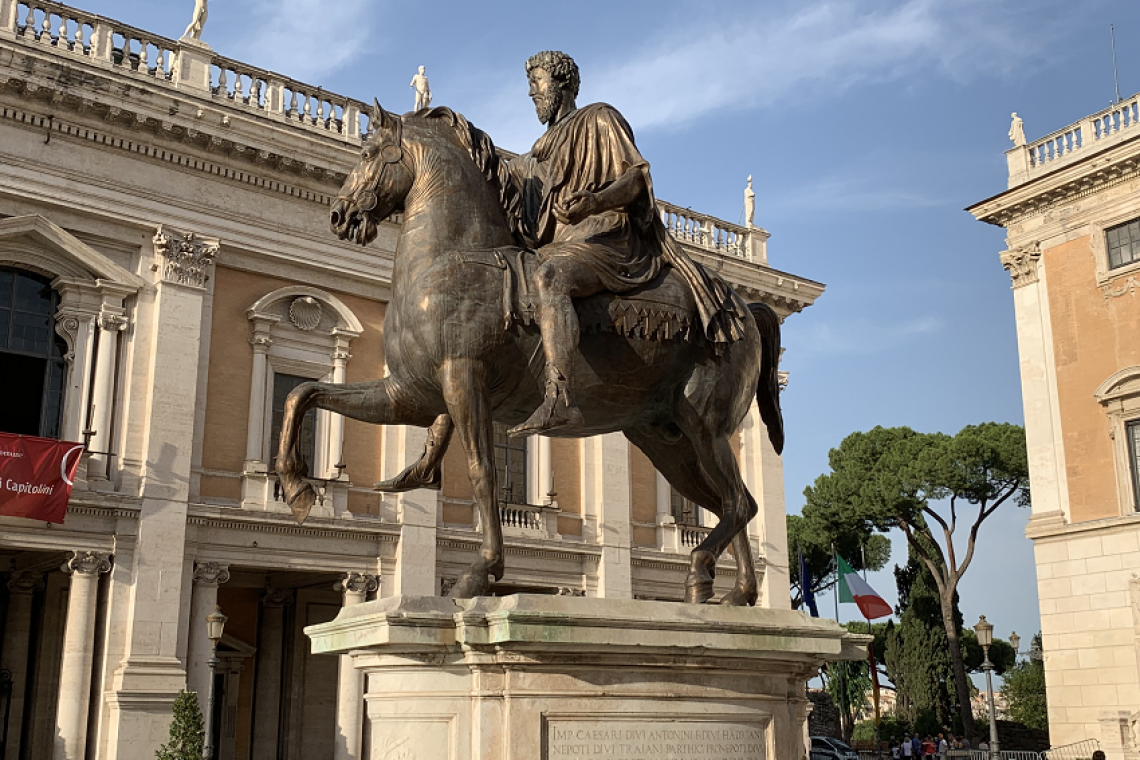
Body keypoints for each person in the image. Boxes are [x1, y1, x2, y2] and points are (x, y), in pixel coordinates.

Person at [505, 50, 746, 436]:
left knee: (550, 278)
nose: (531, 92)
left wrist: (595, 200)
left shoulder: (600, 118)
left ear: (562, 83)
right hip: (562, 244)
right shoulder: (536, 152)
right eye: (530, 84)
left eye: (537, 82)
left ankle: (560, 397)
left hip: (605, 239)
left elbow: (635, 179)